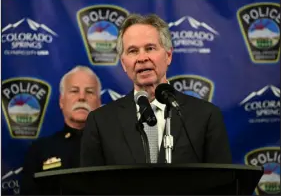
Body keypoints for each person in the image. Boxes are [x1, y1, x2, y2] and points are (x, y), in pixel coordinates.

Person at [80, 14, 232, 166]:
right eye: (133, 51)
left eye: (150, 48)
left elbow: (223, 183)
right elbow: (91, 186)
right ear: (124, 63)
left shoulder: (206, 116)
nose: (142, 58)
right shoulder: (100, 122)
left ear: (168, 55)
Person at [21, 65, 102, 194]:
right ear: (61, 101)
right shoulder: (40, 150)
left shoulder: (115, 147)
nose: (82, 97)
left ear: (99, 103)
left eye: (90, 92)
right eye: (74, 91)